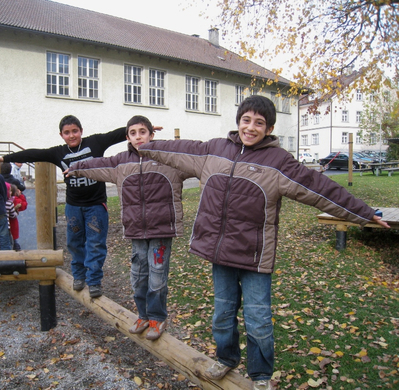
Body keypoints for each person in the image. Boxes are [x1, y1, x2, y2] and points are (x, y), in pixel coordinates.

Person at [138, 95, 389, 389]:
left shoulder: (278, 162)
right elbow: (177, 149)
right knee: (222, 316)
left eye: (259, 123)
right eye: (247, 120)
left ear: (269, 129)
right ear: (238, 121)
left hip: (255, 258)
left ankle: (260, 377)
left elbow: (319, 188)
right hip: (221, 255)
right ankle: (226, 358)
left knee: (258, 323)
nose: (251, 127)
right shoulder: (215, 150)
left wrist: (363, 213)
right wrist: (146, 145)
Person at [66, 115, 189, 340]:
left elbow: (196, 159)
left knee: (157, 277)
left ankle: (158, 318)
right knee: (138, 276)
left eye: (143, 132)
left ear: (151, 134)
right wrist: (77, 168)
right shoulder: (121, 162)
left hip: (161, 230)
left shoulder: (169, 159)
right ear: (127, 137)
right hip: (136, 230)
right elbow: (98, 164)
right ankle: (143, 314)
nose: (138, 137)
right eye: (133, 133)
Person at [0, 115, 127, 298]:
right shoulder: (58, 153)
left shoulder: (95, 143)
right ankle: (79, 276)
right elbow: (33, 153)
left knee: (95, 244)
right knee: (75, 242)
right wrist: (5, 157)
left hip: (96, 205)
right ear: (61, 135)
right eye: (67, 133)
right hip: (74, 207)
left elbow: (117, 134)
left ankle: (94, 280)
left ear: (81, 131)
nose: (71, 136)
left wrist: (142, 128)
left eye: (75, 131)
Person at [10, 184, 28, 250]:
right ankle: (15, 245)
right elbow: (23, 205)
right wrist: (20, 195)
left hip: (2, 221)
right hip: (12, 221)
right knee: (13, 236)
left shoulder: (4, 199)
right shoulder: (15, 200)